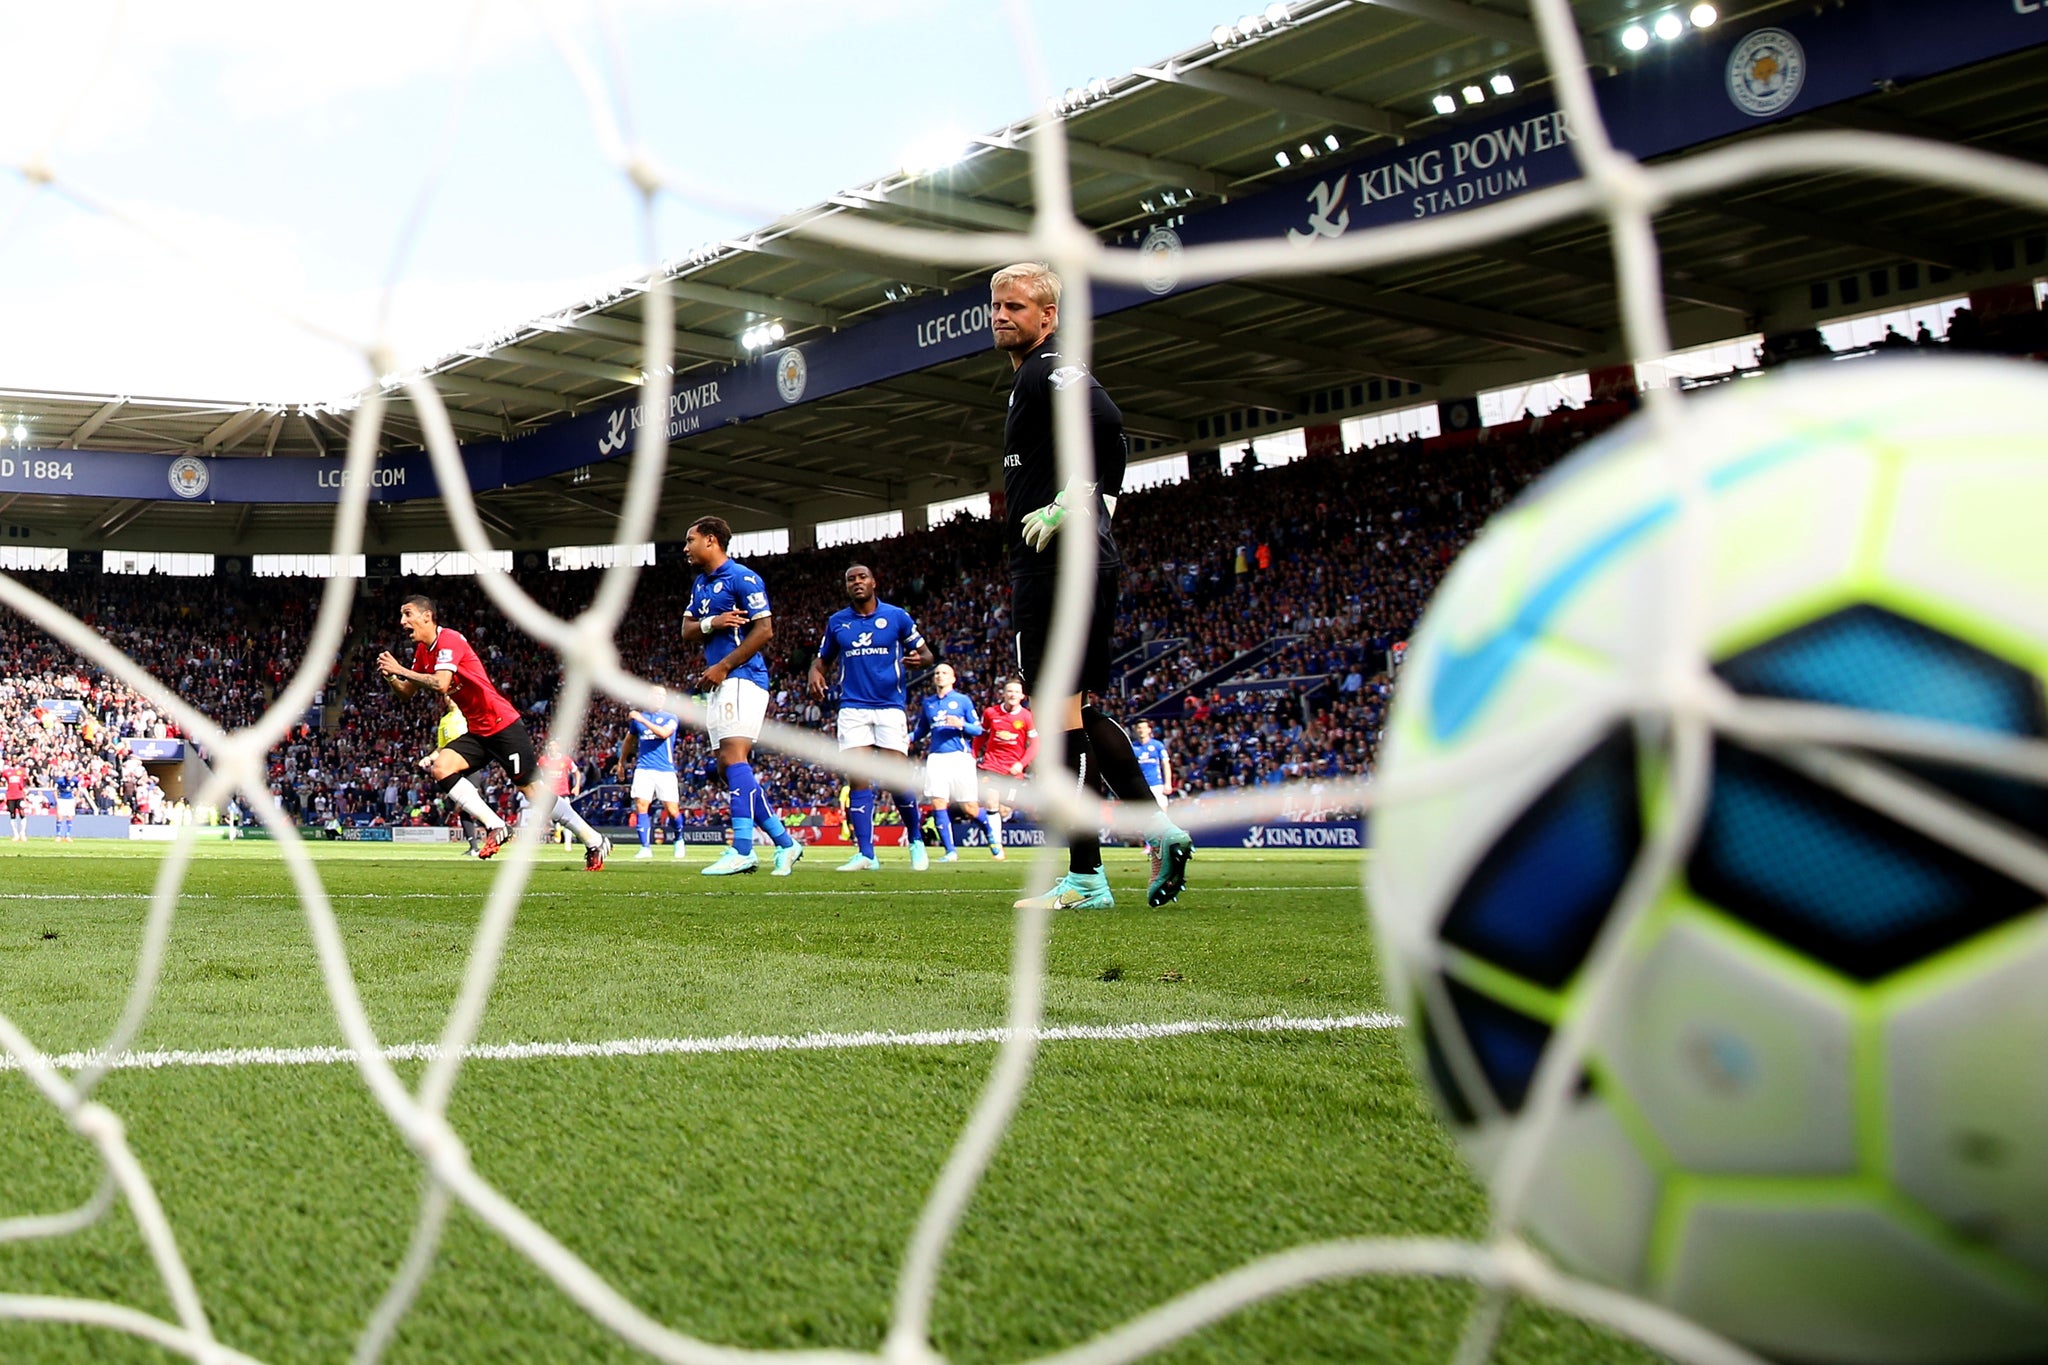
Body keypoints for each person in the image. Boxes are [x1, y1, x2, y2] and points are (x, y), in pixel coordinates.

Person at [989, 260, 1194, 909]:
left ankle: (1086, 876)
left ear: (1047, 316)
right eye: (996, 305)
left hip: (1058, 568)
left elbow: (1108, 424)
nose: (1001, 315)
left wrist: (1079, 502)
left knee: (1057, 719)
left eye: (1015, 306)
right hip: (1071, 562)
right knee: (1070, 712)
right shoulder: (1031, 376)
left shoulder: (1051, 367)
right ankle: (1156, 830)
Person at [376, 594, 611, 869]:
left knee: (533, 792)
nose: (402, 621)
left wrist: (400, 669)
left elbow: (441, 684)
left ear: (427, 616)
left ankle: (594, 839)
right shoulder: (422, 652)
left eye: (408, 614)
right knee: (442, 767)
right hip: (478, 730)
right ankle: (496, 825)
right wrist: (392, 676)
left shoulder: (449, 640)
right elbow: (406, 693)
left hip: (502, 725)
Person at [680, 515, 804, 877]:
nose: (686, 548)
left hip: (742, 677)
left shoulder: (743, 578)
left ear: (712, 541)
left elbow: (764, 630)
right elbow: (686, 630)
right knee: (725, 766)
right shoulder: (701, 584)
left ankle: (743, 849)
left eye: (691, 540)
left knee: (734, 757)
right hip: (720, 682)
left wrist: (725, 665)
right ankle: (785, 842)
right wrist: (712, 624)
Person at [808, 562, 934, 872]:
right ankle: (867, 853)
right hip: (853, 707)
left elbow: (928, 654)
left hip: (890, 706)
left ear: (873, 582)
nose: (856, 582)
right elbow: (822, 661)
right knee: (858, 777)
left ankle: (916, 841)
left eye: (862, 577)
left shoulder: (896, 617)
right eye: (850, 579)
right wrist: (814, 672)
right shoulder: (838, 623)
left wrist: (921, 661)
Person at [909, 662, 993, 863]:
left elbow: (979, 730)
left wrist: (961, 724)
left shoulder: (962, 701)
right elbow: (922, 731)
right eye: (937, 673)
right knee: (938, 802)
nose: (939, 675)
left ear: (953, 678)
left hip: (960, 757)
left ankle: (990, 833)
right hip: (937, 757)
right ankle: (950, 851)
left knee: (969, 808)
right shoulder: (928, 703)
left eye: (944, 672)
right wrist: (908, 737)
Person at [419, 696, 507, 858]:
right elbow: (441, 748)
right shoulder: (445, 721)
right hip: (452, 767)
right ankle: (474, 846)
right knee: (463, 808)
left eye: (452, 696)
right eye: (447, 697)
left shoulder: (469, 715)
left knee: (469, 803)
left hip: (469, 765)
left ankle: (497, 828)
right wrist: (429, 758)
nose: (450, 699)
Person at [619, 685, 686, 861]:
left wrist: (642, 719)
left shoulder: (671, 718)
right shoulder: (639, 720)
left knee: (672, 811)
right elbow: (628, 741)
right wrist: (621, 762)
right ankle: (645, 847)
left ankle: (679, 838)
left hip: (665, 770)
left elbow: (664, 733)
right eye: (656, 695)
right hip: (644, 768)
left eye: (662, 695)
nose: (659, 698)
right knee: (641, 805)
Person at [975, 677, 1036, 861]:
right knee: (991, 803)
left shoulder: (1027, 716)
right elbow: (981, 737)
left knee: (1004, 809)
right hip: (991, 766)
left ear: (1022, 695)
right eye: (1009, 691)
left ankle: (996, 834)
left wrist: (1022, 763)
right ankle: (997, 846)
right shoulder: (990, 713)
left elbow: (1035, 744)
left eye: (1016, 692)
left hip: (1013, 771)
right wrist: (972, 754)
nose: (1012, 694)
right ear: (1003, 693)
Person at [2, 757, 26, 842]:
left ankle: (22, 833)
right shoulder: (7, 772)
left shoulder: (22, 770)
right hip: (10, 796)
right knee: (12, 815)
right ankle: (15, 834)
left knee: (22, 813)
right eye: (13, 760)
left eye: (15, 760)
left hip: (20, 795)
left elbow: (26, 780)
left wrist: (25, 789)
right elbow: (2, 779)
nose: (14, 761)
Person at [52, 764, 78, 842]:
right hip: (61, 799)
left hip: (70, 800)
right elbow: (55, 790)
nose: (68, 775)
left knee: (70, 816)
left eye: (70, 774)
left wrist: (76, 798)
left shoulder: (75, 780)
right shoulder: (60, 780)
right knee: (59, 817)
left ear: (72, 774)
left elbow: (79, 789)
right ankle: (58, 835)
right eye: (67, 773)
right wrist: (57, 800)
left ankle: (67, 835)